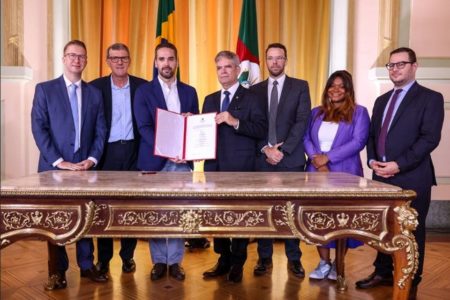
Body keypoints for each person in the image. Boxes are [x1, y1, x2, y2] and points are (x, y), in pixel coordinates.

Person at [356, 47, 444, 299]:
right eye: (391, 65)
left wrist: (399, 164)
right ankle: (382, 271)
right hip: (381, 176)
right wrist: (372, 159)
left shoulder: (430, 98)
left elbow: (429, 139)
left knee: (411, 230)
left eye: (401, 64)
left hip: (412, 176)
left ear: (414, 66)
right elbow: (372, 136)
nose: (395, 69)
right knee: (383, 228)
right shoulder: (382, 100)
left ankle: (410, 276)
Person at [31, 40, 108, 290]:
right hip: (53, 168)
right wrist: (59, 161)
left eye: (81, 56)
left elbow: (100, 130)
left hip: (86, 168)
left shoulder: (95, 93)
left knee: (86, 217)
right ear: (63, 59)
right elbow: (39, 128)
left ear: (86, 61)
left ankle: (87, 266)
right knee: (56, 222)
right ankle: (57, 272)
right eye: (72, 55)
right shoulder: (45, 89)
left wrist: (93, 159)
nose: (76, 60)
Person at [134, 42, 199, 281]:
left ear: (177, 62)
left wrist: (192, 120)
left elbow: (194, 126)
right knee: (158, 213)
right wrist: (166, 149)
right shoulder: (143, 91)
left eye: (171, 59)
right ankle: (160, 261)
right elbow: (144, 127)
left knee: (180, 212)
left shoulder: (190, 91)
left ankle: (176, 262)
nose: (166, 64)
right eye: (161, 59)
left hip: (182, 162)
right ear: (155, 63)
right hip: (155, 161)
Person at [202, 50, 267, 283]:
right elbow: (203, 133)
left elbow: (261, 129)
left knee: (238, 216)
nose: (223, 71)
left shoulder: (252, 98)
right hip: (214, 167)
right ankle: (223, 258)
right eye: (219, 67)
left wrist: (234, 121)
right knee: (217, 217)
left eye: (228, 67)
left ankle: (238, 262)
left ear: (238, 70)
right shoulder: (209, 99)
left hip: (240, 168)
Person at [251, 43, 311, 278]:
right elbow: (253, 125)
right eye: (270, 58)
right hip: (262, 159)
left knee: (291, 212)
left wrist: (282, 151)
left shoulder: (300, 86)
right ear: (266, 61)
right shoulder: (255, 90)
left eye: (279, 58)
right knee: (264, 212)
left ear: (285, 60)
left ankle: (294, 259)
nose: (274, 62)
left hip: (291, 159)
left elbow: (302, 120)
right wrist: (266, 149)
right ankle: (264, 258)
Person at [303, 70, 370, 280]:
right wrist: (316, 157)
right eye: (332, 85)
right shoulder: (316, 112)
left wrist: (328, 158)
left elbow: (358, 141)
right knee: (318, 219)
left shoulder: (359, 112)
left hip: (345, 173)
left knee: (341, 220)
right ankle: (324, 263)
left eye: (341, 86)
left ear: (348, 89)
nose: (336, 89)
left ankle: (337, 265)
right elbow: (306, 137)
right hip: (315, 173)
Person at [90, 43, 147, 276]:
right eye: (115, 58)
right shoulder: (95, 87)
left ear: (129, 60)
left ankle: (128, 257)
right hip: (107, 153)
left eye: (123, 57)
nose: (120, 62)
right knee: (104, 208)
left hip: (135, 151)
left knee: (130, 207)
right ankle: (104, 260)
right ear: (108, 61)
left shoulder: (143, 87)